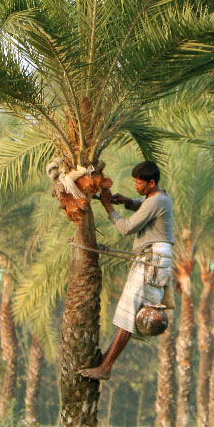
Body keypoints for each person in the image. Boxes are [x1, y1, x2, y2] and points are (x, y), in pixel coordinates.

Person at [79, 161, 174, 381]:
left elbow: (126, 228)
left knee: (129, 315)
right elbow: (142, 203)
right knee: (130, 315)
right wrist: (127, 202)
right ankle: (105, 362)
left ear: (151, 183)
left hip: (152, 261)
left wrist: (108, 206)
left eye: (139, 183)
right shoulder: (160, 196)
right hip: (156, 260)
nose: (135, 186)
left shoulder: (156, 201)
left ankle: (105, 368)